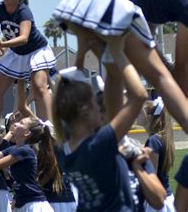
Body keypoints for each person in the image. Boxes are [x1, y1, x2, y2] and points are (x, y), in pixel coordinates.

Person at [52, 0, 188, 133]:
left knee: (114, 71)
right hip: (107, 0)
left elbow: (147, 42)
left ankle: (113, 139)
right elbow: (181, 69)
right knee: (160, 77)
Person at [52, 33, 148, 211]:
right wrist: (116, 52)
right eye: (96, 103)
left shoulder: (63, 149)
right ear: (85, 110)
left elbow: (66, 89)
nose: (100, 108)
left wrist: (82, 51)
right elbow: (139, 96)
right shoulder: (99, 144)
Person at [0, 0, 55, 147]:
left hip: (35, 51)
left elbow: (23, 38)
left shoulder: (23, 11)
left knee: (39, 86)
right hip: (17, 54)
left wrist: (2, 43)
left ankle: (49, 127)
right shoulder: (0, 9)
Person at [0, 117, 56, 212]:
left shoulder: (25, 150)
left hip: (34, 204)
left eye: (21, 123)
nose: (15, 124)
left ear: (26, 133)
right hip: (22, 203)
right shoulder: (14, 149)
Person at [142, 97, 176, 211]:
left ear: (149, 117)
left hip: (158, 203)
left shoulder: (153, 141)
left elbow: (152, 177)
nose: (137, 115)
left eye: (140, 112)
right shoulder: (159, 138)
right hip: (165, 199)